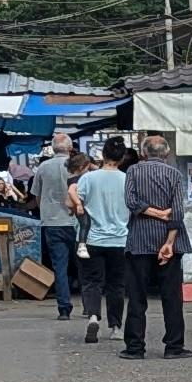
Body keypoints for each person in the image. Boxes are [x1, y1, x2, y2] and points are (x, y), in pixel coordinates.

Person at [122, 130, 187, 361]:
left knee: (137, 296)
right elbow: (178, 212)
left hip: (139, 240)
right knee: (171, 297)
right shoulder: (175, 174)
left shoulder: (133, 171)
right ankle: (174, 347)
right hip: (169, 241)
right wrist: (169, 241)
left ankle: (134, 348)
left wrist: (150, 212)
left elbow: (130, 202)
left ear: (143, 152)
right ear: (167, 153)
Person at [73, 139, 130, 344]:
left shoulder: (88, 178)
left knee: (91, 282)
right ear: (122, 158)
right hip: (120, 239)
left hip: (92, 239)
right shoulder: (127, 179)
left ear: (103, 156)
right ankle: (116, 327)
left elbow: (76, 203)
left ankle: (93, 316)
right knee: (117, 285)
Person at [23, 134, 79, 320]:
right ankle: (90, 306)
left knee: (59, 267)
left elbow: (36, 197)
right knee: (84, 266)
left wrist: (47, 209)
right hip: (76, 223)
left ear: (53, 149)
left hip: (52, 223)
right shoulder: (77, 167)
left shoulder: (43, 168)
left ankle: (64, 308)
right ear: (70, 148)